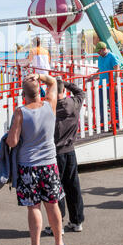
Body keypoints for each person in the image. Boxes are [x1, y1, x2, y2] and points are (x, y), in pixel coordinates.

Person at [6, 72, 66, 245]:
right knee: (53, 204)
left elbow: (13, 141)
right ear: (40, 91)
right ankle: (59, 244)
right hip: (49, 164)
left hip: (29, 166)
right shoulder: (50, 105)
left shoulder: (20, 112)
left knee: (34, 207)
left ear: (23, 95)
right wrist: (39, 75)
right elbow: (54, 82)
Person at [45, 79, 85, 236]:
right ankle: (77, 220)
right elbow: (81, 92)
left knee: (57, 189)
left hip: (55, 153)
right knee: (73, 186)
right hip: (70, 150)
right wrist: (65, 83)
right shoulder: (74, 104)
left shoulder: (49, 109)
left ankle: (58, 223)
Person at [90, 42, 120, 128]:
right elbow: (100, 70)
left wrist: (115, 84)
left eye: (99, 51)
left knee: (113, 105)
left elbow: (117, 69)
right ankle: (103, 124)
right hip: (101, 85)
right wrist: (92, 77)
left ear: (104, 49)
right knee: (101, 105)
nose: (98, 53)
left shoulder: (112, 56)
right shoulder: (100, 58)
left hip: (110, 85)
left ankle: (116, 124)